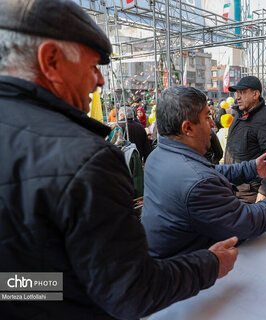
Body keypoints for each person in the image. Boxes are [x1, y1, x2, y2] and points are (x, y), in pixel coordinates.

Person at [0, 0, 238, 318]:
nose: (99, 81)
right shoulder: (86, 158)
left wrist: (50, 287)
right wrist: (209, 264)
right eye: (92, 66)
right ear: (51, 61)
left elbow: (15, 282)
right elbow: (130, 291)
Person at [142, 86, 266, 258]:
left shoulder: (157, 156)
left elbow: (211, 170)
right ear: (187, 128)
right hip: (192, 270)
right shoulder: (198, 181)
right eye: (207, 118)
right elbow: (247, 223)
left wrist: (252, 168)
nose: (213, 123)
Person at [224, 76, 266, 203]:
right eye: (237, 93)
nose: (237, 97)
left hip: (250, 194)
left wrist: (264, 191)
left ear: (256, 94)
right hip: (234, 189)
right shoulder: (240, 113)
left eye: (243, 92)